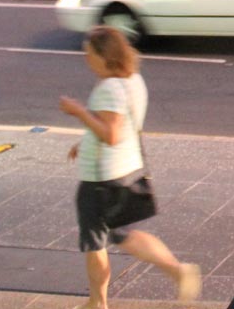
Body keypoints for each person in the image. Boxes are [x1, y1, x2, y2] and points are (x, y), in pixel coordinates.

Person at [60, 26, 201, 308]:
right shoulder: (133, 80)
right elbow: (121, 126)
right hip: (124, 169)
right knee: (123, 235)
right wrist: (85, 141)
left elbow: (111, 134)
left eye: (90, 53)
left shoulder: (108, 88)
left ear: (105, 55)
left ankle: (98, 303)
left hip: (100, 178)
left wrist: (79, 112)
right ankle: (177, 271)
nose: (86, 59)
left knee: (96, 243)